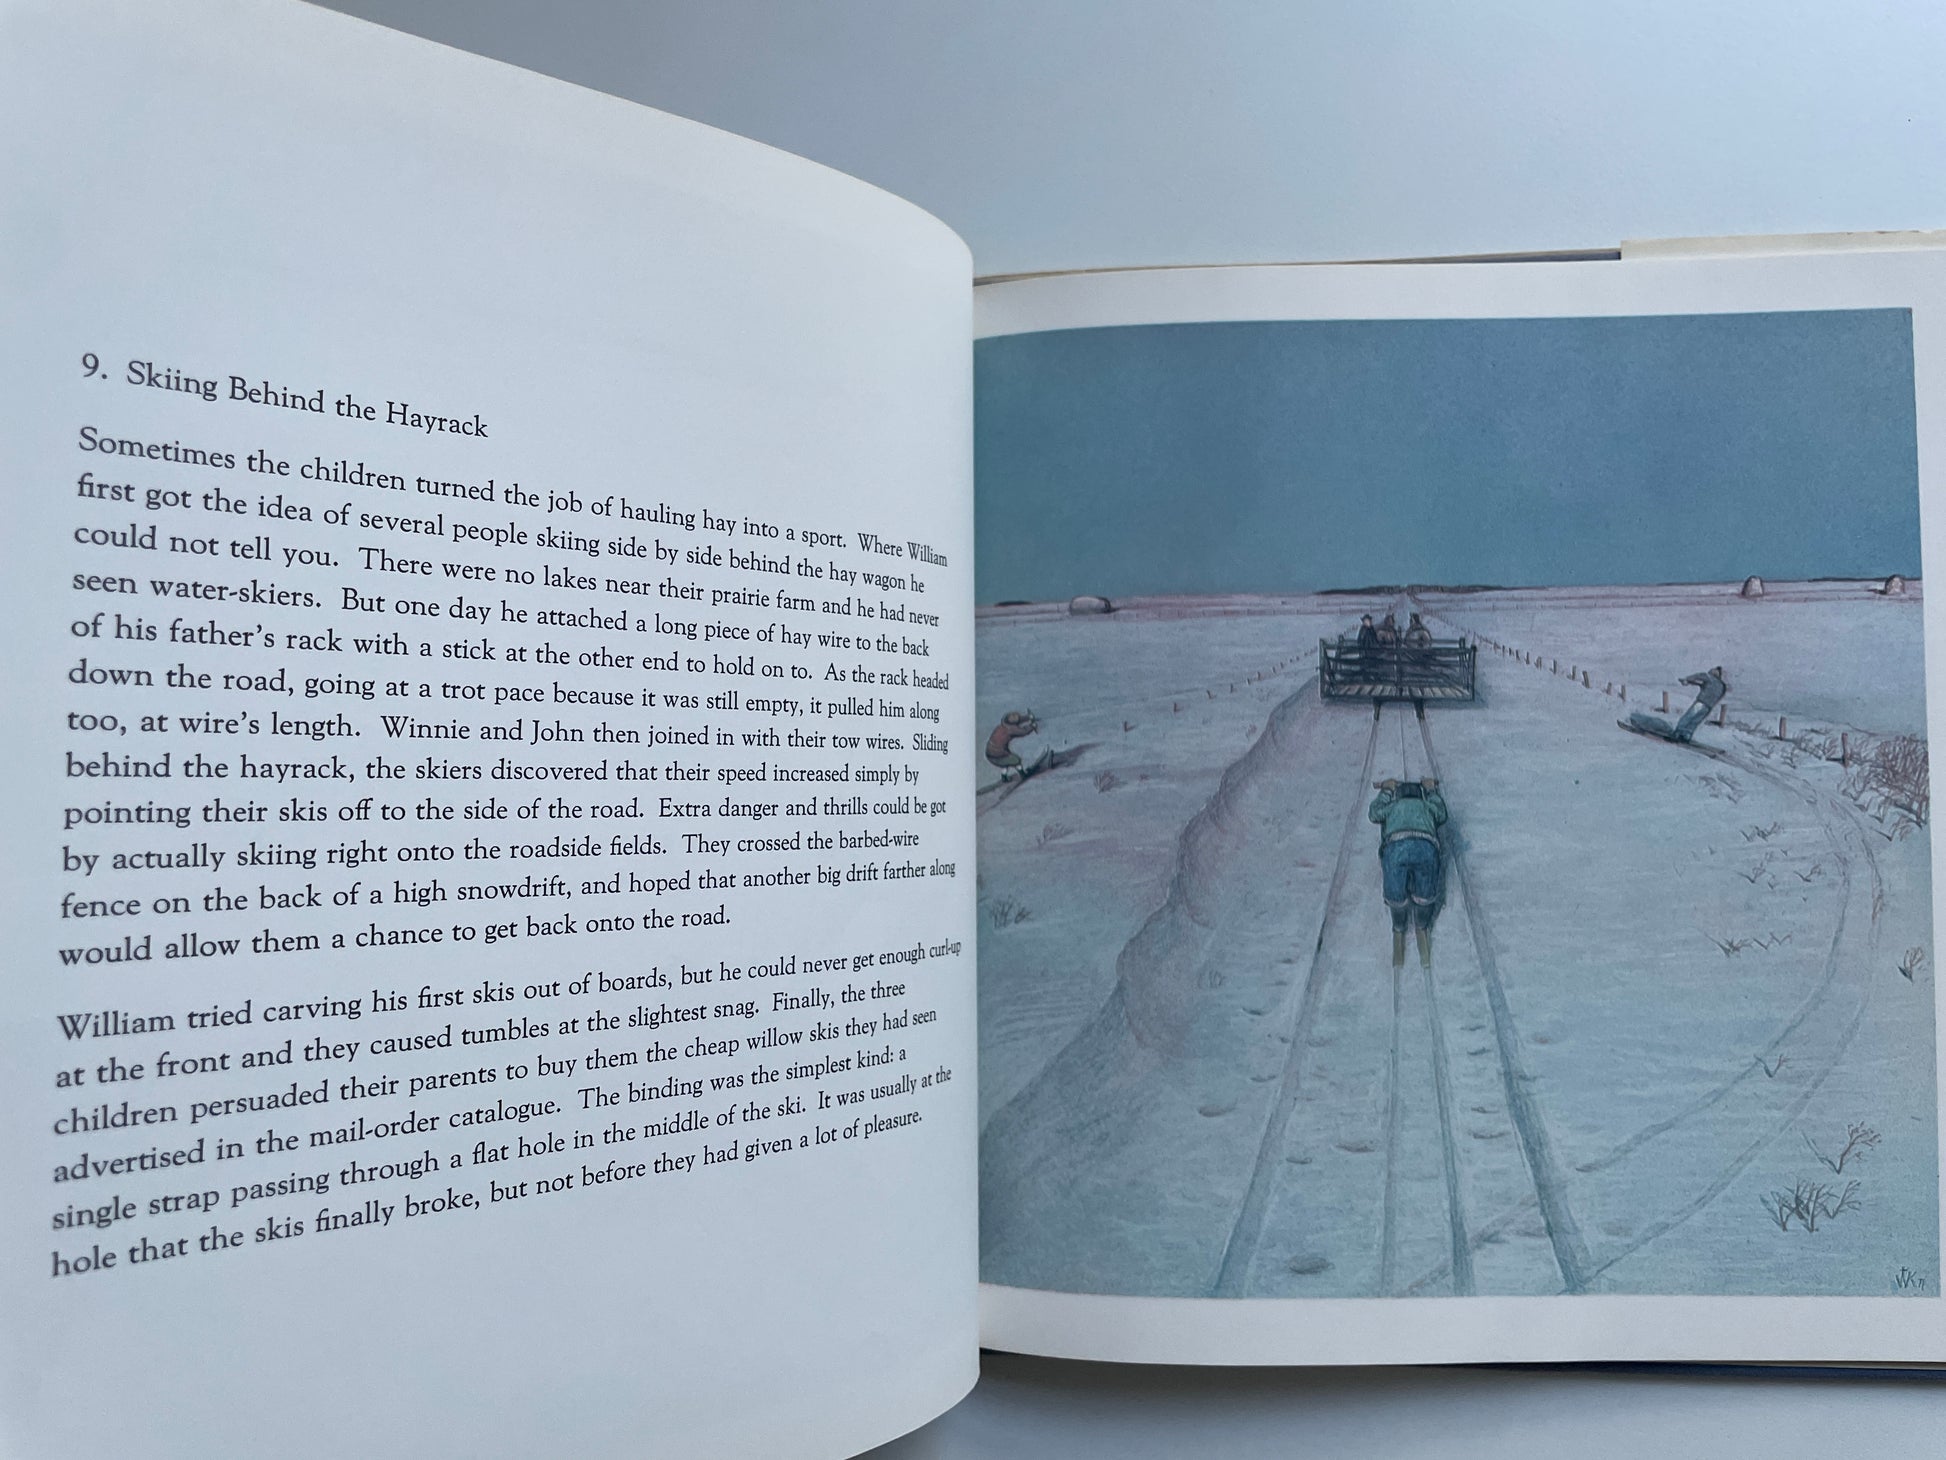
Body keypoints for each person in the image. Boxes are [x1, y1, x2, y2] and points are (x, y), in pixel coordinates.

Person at [1370, 775, 1447, 969]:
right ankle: (1422, 927)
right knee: (1425, 894)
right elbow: (1442, 814)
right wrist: (1431, 790)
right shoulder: (1427, 806)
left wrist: (1386, 790)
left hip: (1396, 848)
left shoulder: (1393, 806)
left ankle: (1398, 930)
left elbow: (1374, 814)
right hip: (1426, 848)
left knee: (1395, 895)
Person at [985, 709, 1040, 782]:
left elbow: (1017, 720)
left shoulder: (1002, 725)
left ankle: (1004, 778)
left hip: (990, 753)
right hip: (997, 754)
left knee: (1006, 762)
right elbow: (1023, 731)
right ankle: (1023, 774)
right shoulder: (1011, 730)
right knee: (1016, 760)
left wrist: (1028, 717)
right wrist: (1032, 726)